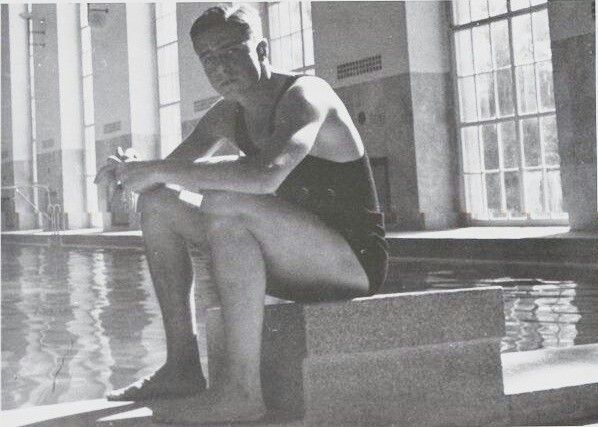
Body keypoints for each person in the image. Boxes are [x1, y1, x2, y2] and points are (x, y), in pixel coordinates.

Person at [95, 4, 388, 424]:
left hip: (351, 263)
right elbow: (168, 179)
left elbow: (265, 175)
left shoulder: (306, 95)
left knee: (226, 202)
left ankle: (241, 392)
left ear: (263, 49)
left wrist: (157, 170)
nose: (220, 66)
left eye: (231, 50)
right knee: (157, 203)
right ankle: (181, 365)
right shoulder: (226, 115)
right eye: (208, 58)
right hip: (288, 255)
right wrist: (135, 168)